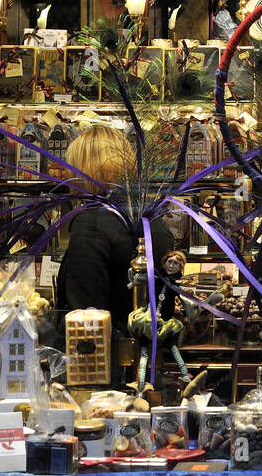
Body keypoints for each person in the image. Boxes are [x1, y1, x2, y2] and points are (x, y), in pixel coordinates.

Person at [56, 125, 174, 332]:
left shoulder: (91, 223)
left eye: (70, 167)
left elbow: (84, 312)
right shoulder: (151, 219)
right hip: (151, 349)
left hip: (107, 354)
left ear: (82, 171)